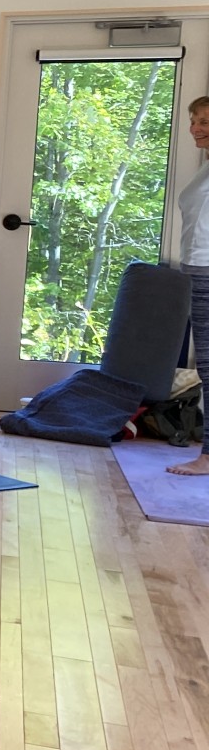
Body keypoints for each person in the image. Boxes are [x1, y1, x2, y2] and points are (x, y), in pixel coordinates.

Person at [167, 94, 209, 477]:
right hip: (198, 269)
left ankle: (207, 458)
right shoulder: (205, 166)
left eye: (204, 122)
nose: (195, 128)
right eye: (193, 120)